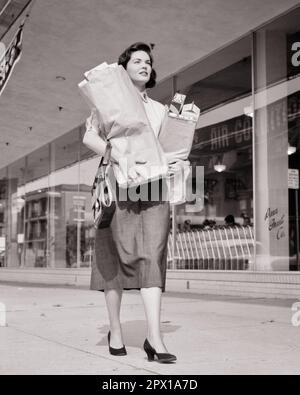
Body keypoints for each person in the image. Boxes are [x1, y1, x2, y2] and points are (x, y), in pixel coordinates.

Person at [83, 42, 183, 363]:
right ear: (123, 68)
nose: (144, 64)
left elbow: (168, 148)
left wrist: (174, 162)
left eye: (148, 61)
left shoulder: (159, 109)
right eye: (136, 60)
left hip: (153, 190)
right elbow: (89, 137)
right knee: (113, 259)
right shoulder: (108, 102)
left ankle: (154, 338)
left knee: (153, 256)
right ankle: (115, 330)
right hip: (118, 185)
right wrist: (117, 154)